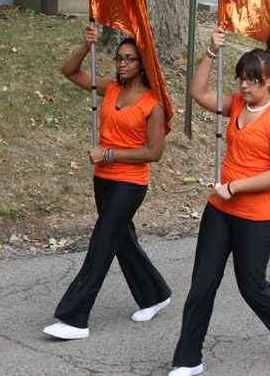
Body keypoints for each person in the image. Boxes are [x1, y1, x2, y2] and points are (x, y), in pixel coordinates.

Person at [169, 28, 270, 376]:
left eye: (252, 80)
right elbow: (198, 91)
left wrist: (236, 187)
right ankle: (188, 359)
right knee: (203, 283)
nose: (244, 86)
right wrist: (211, 53)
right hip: (219, 210)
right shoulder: (236, 105)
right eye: (241, 79)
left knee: (252, 287)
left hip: (256, 217)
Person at [44, 24, 171, 340]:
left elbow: (153, 152)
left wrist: (110, 154)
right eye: (118, 58)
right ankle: (155, 293)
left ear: (143, 65)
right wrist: (86, 46)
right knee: (122, 241)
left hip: (130, 184)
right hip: (103, 180)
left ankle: (75, 318)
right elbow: (70, 72)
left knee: (102, 243)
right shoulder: (110, 89)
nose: (122, 64)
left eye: (129, 59)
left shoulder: (152, 104)